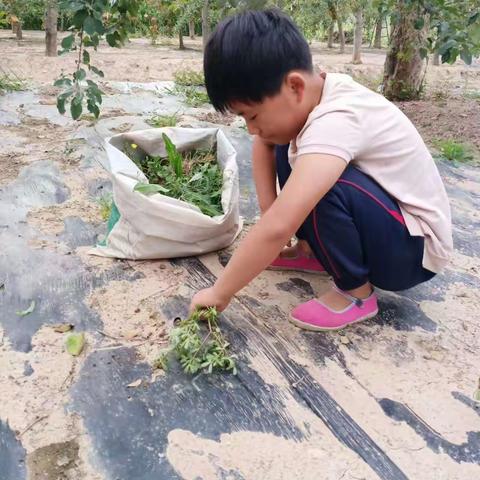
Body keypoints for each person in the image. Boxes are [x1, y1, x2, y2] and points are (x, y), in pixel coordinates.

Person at [189, 8, 453, 331]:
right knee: (286, 147)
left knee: (321, 183)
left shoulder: (337, 120)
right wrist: (270, 212)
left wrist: (219, 293)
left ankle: (356, 293)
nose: (250, 129)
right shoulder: (312, 94)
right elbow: (265, 146)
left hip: (412, 252)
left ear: (295, 87)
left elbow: (279, 224)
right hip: (388, 225)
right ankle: (314, 251)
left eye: (252, 116)